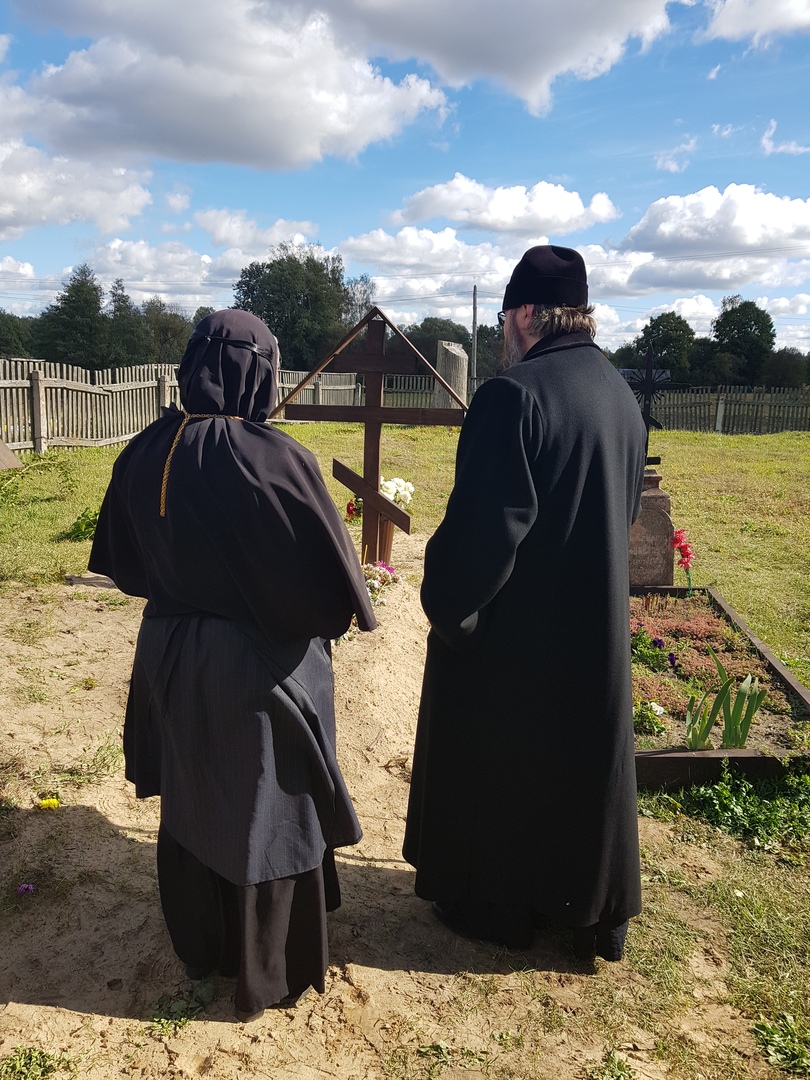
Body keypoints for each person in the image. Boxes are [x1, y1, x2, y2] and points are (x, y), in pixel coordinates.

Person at [89, 309, 375, 1020]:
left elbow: (124, 564)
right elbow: (326, 597)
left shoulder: (146, 449)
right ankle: (268, 966)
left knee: (194, 793)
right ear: (262, 374)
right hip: (260, 668)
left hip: (171, 655)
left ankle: (203, 943)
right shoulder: (275, 458)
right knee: (266, 806)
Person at [403, 246, 647, 959]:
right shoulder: (620, 396)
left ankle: (497, 903)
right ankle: (579, 906)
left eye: (507, 314)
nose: (504, 330)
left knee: (501, 761)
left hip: (516, 645)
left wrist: (451, 613)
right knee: (575, 769)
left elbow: (485, 535)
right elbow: (625, 513)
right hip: (594, 634)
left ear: (528, 314)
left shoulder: (513, 395)